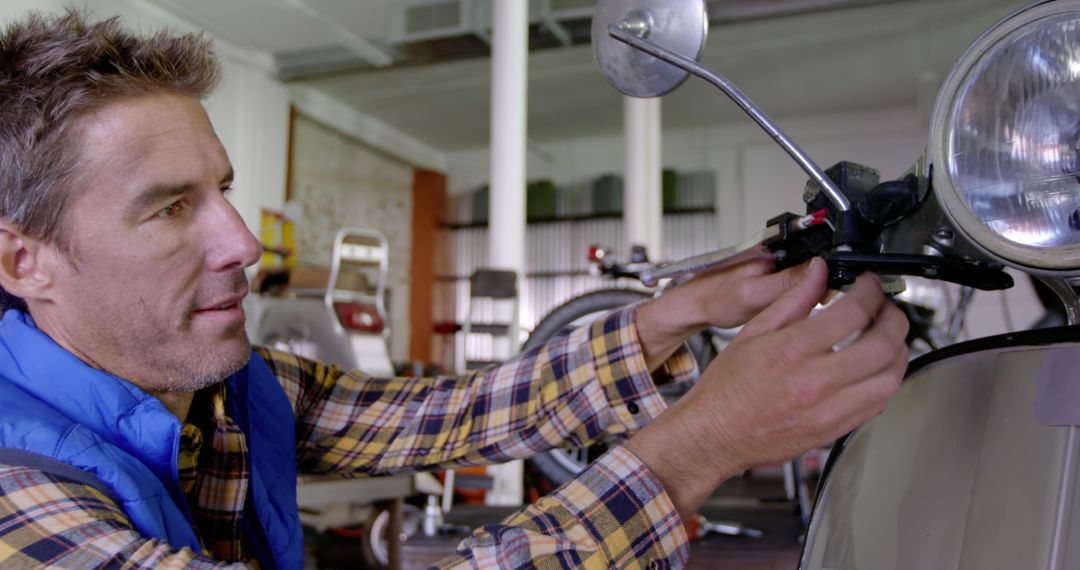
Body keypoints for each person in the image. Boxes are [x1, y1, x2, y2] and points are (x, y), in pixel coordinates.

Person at [0, 10, 909, 569]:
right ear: (22, 262)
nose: (241, 243)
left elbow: (447, 416)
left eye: (224, 191)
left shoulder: (224, 388)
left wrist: (672, 317)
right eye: (168, 209)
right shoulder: (17, 497)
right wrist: (696, 448)